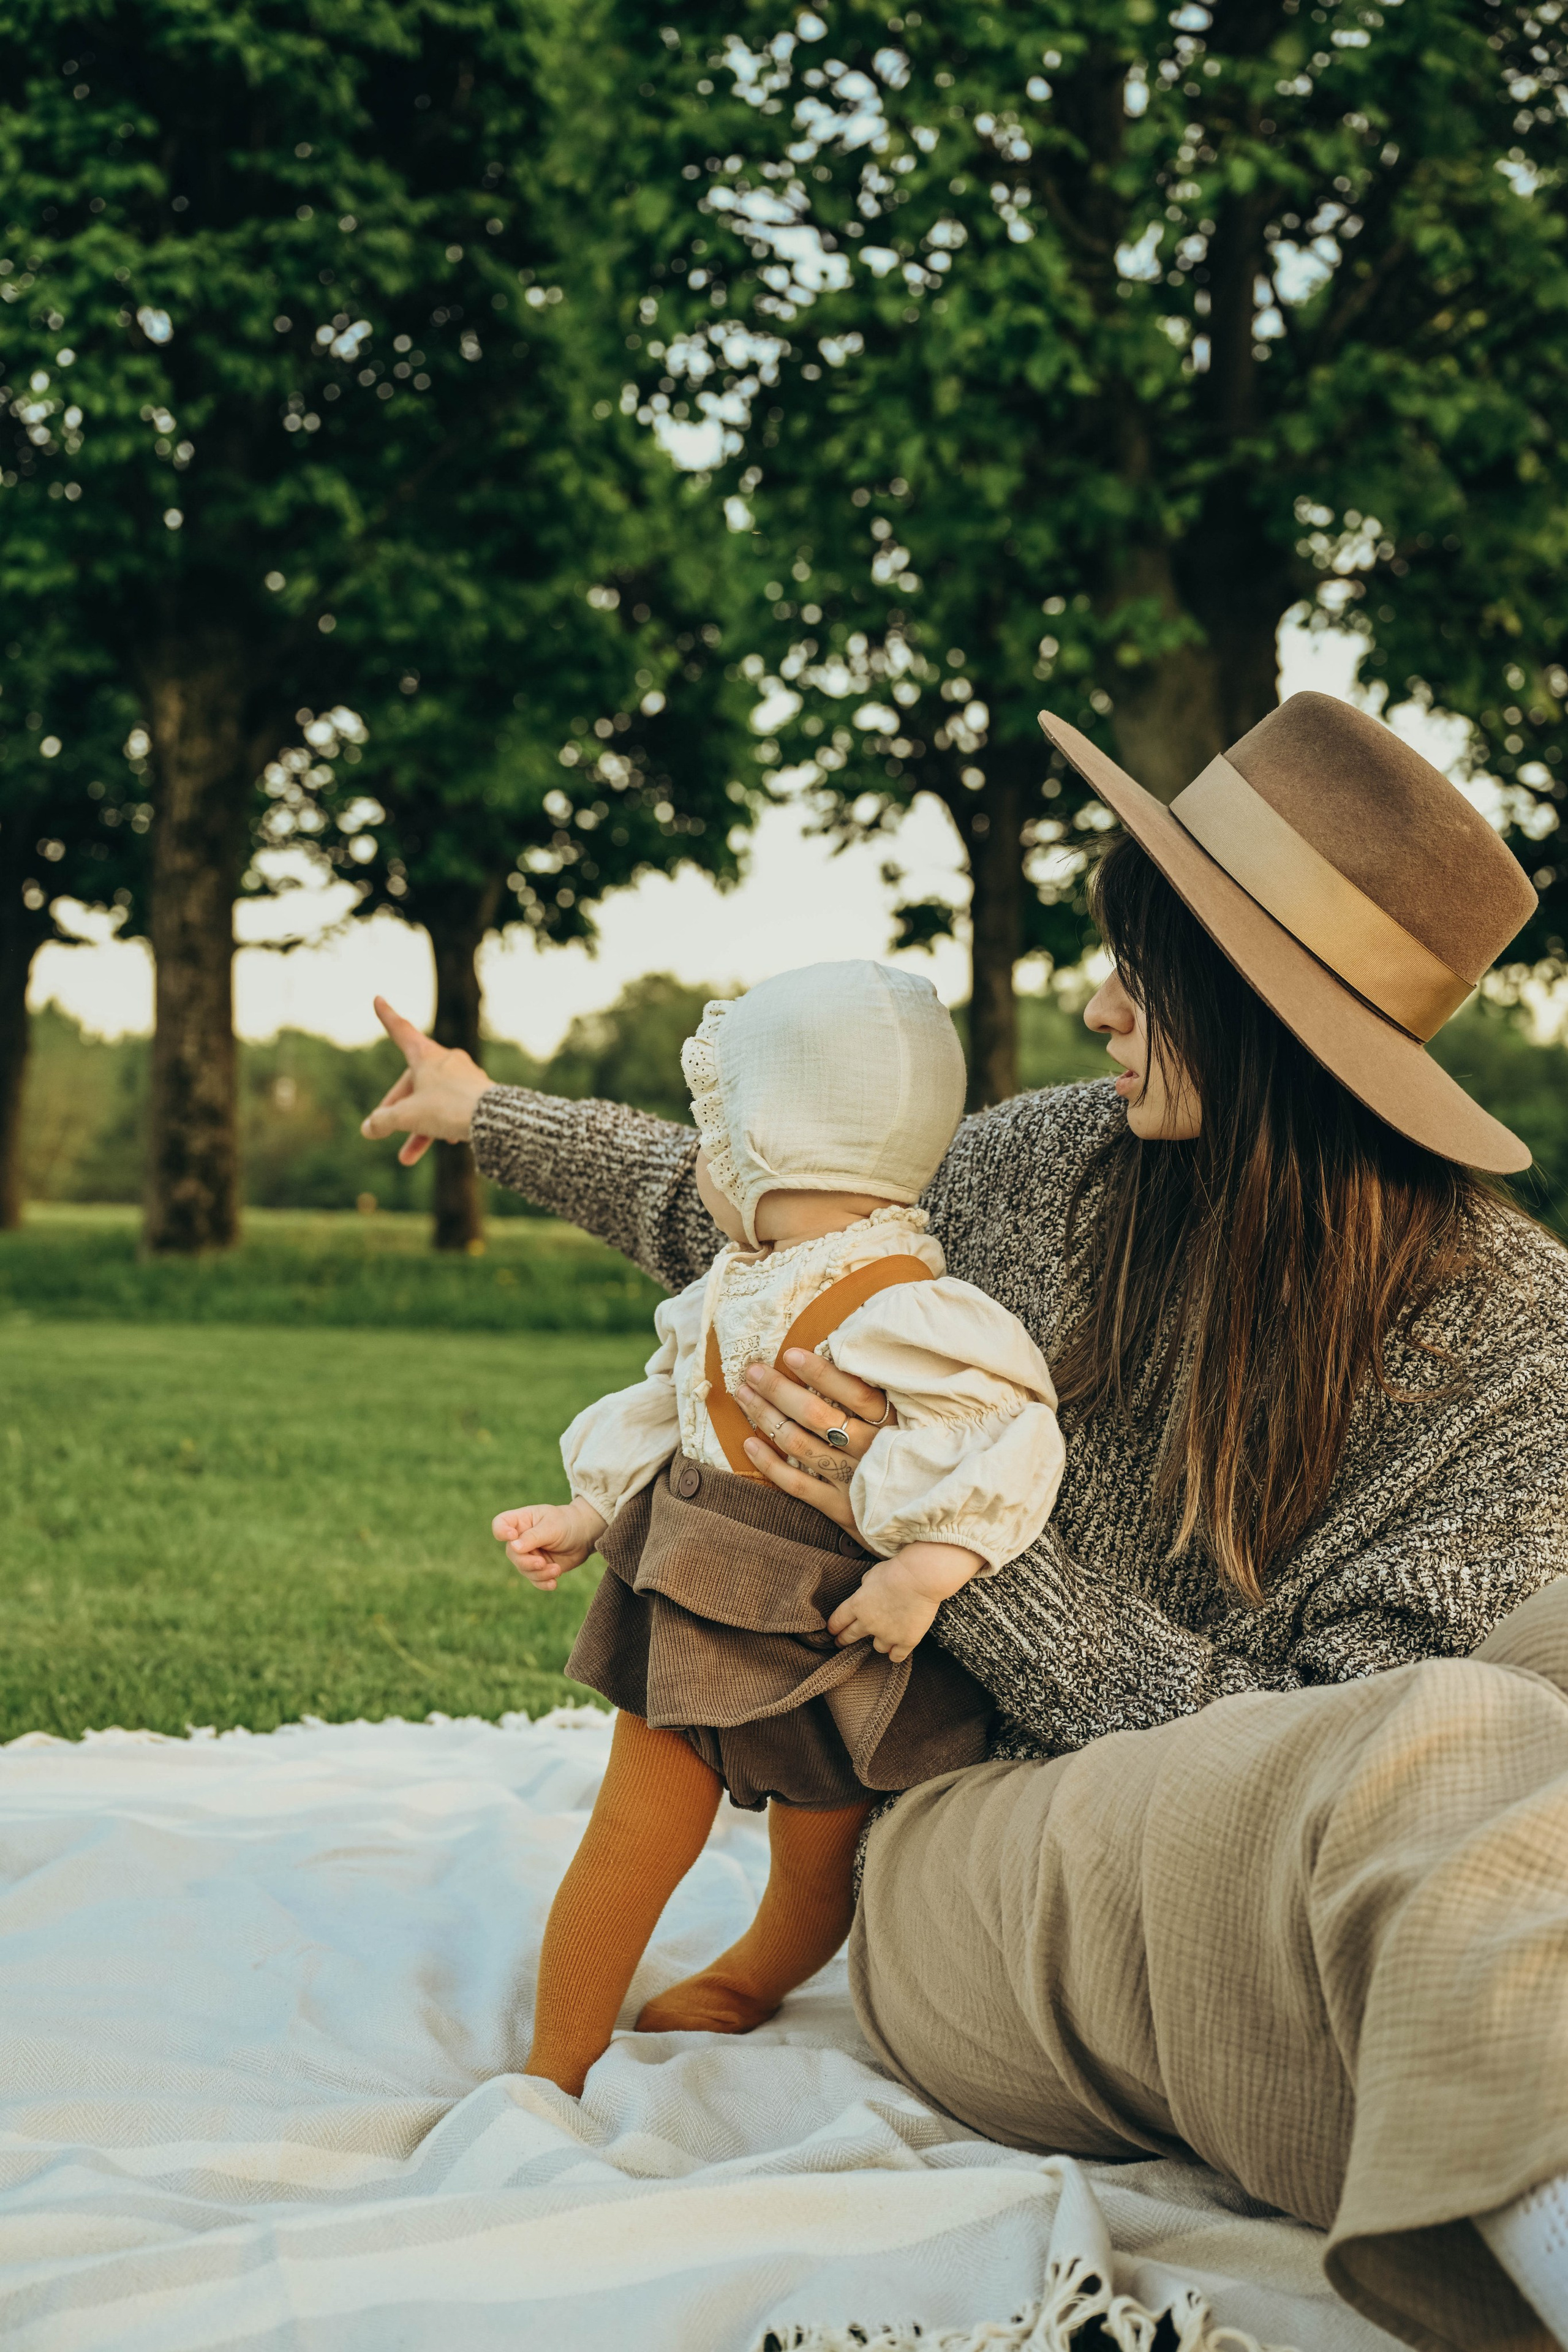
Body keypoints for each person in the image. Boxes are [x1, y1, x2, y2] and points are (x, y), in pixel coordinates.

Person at [361, 690, 1568, 2352]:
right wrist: (485, 1111)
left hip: (1312, 1785)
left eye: (1143, 974)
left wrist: (945, 1537)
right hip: (985, 1822)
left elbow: (1313, 1722)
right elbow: (752, 1210)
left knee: (1508, 1697)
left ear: (1263, 1014)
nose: (1097, 1003)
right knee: (1445, 1743)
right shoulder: (1052, 1165)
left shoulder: (1516, 1334)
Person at [492, 960, 1064, 2095]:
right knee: (631, 1834)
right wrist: (589, 1509)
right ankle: (556, 2062)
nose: (699, 1168)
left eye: (712, 1140)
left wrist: (928, 1569)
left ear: (766, 1149)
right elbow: (671, 1405)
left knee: (818, 1863)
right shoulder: (727, 1283)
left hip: (831, 1614)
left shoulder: (911, 1309)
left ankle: (758, 1975)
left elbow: (1009, 1440)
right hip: (693, 1585)